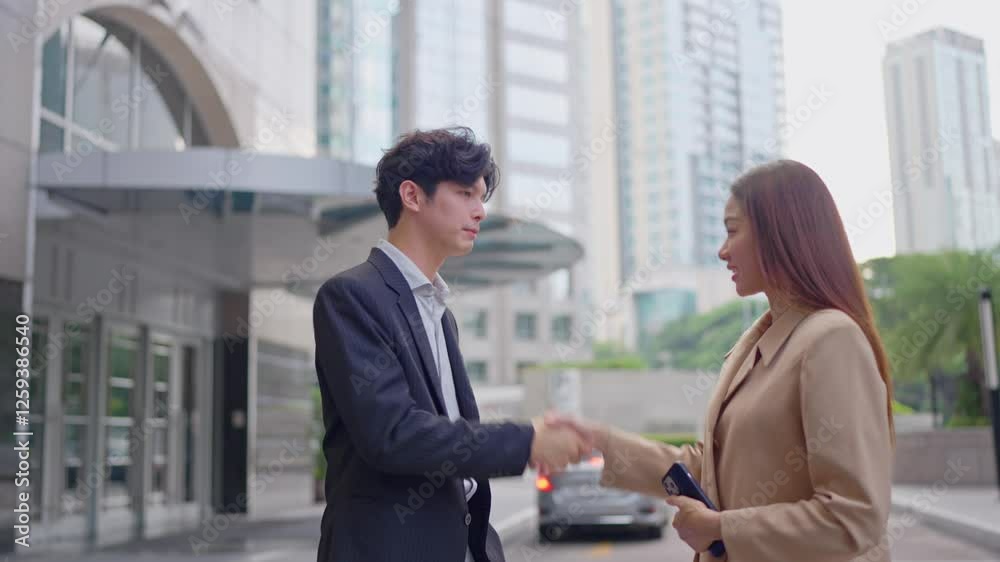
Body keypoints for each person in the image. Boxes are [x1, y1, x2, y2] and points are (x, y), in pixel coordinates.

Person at [554, 160, 895, 561]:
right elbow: (710, 468)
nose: (722, 251)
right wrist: (600, 441)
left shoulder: (832, 340)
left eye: (733, 231)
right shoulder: (754, 344)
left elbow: (853, 516)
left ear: (778, 232)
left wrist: (721, 528)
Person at [312, 127, 591, 562]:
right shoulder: (351, 297)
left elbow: (449, 442)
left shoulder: (441, 315)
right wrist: (526, 441)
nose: (480, 211)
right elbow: (393, 434)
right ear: (412, 195)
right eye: (465, 194)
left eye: (481, 197)